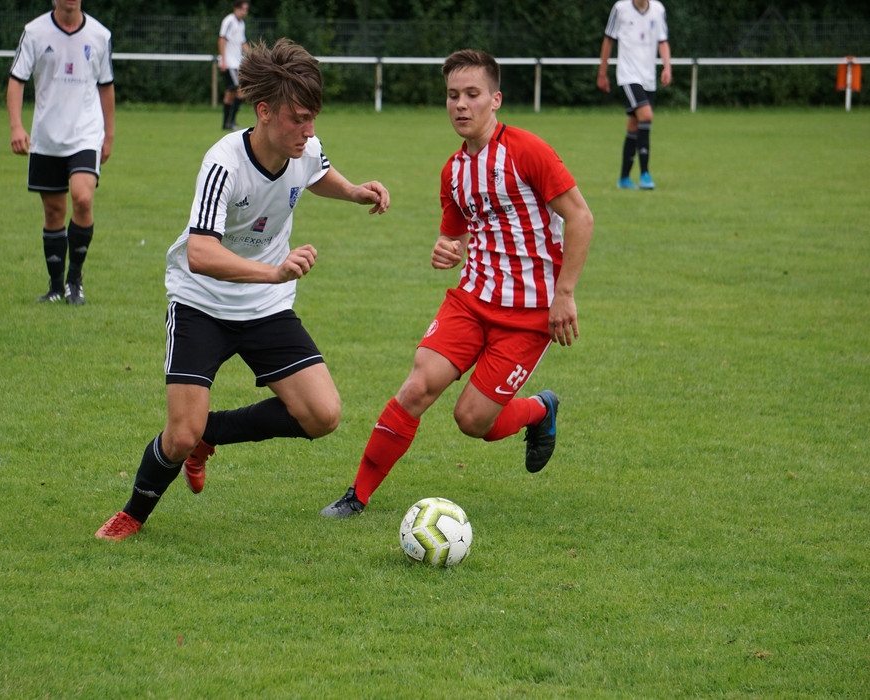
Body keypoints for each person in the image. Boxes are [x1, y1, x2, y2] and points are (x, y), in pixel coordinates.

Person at [96, 39, 390, 541]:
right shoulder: (223, 162)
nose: (309, 130)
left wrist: (354, 190)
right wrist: (273, 273)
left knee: (322, 415)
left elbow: (315, 172)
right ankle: (134, 513)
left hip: (265, 307)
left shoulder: (305, 147)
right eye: (298, 118)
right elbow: (200, 253)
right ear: (264, 112)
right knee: (179, 433)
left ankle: (210, 436)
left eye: (313, 118)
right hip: (201, 302)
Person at [321, 49, 594, 519]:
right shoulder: (453, 171)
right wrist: (444, 251)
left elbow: (580, 217)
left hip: (528, 316)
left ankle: (538, 410)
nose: (461, 105)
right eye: (453, 96)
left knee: (473, 421)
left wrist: (564, 294)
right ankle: (357, 496)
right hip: (470, 301)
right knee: (416, 388)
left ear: (496, 99)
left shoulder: (528, 151)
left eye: (472, 94)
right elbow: (453, 237)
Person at [7, 0, 115, 305]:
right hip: (47, 137)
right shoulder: (34, 32)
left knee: (82, 197)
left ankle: (74, 280)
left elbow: (107, 86)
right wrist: (16, 126)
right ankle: (55, 287)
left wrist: (109, 134)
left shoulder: (99, 35)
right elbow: (16, 81)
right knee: (54, 211)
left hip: (85, 135)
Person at [597, 0, 671, 190]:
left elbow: (662, 41)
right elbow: (608, 40)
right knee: (646, 115)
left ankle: (623, 178)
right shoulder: (620, 8)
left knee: (634, 125)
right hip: (628, 75)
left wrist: (667, 67)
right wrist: (602, 73)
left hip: (648, 78)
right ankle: (645, 174)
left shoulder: (658, 9)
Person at [218, 0, 249, 130]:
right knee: (240, 91)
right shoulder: (228, 21)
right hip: (230, 63)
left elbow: (243, 43)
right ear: (236, 8)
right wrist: (223, 59)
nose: (245, 12)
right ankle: (231, 121)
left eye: (246, 9)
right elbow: (221, 39)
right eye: (243, 9)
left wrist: (254, 57)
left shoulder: (241, 24)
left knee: (230, 93)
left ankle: (226, 123)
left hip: (237, 63)